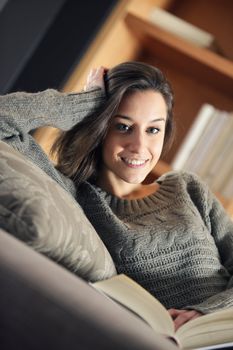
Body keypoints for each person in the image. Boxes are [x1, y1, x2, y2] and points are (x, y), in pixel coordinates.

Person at [1, 62, 233, 331]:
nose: (139, 146)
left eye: (153, 130)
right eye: (123, 127)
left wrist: (207, 313)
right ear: (99, 126)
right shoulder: (74, 194)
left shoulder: (187, 188)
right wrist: (85, 103)